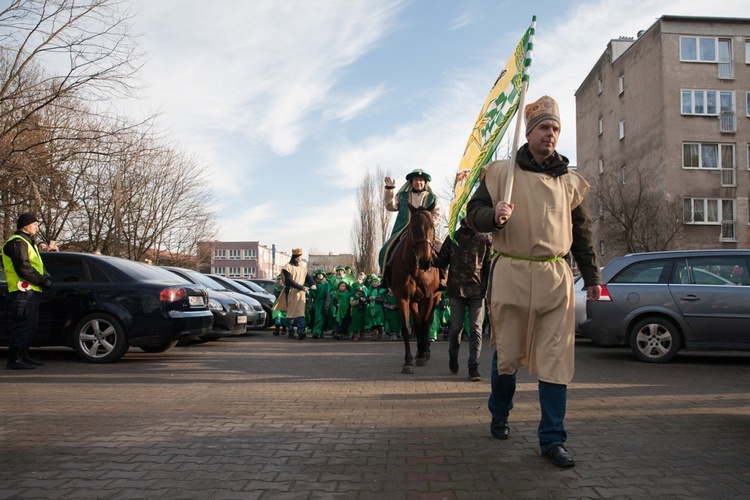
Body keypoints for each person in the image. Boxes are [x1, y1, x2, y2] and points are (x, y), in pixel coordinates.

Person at [466, 95, 602, 468]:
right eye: (544, 127)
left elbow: (583, 235)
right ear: (528, 133)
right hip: (511, 272)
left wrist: (592, 278)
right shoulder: (500, 174)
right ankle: (500, 411)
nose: (551, 134)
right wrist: (492, 215)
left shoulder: (571, 183)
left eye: (556, 128)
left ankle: (552, 439)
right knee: (506, 354)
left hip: (555, 278)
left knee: (557, 360)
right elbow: (471, 215)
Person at [432, 218, 492, 382]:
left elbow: (488, 266)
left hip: (477, 292)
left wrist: (488, 290)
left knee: (475, 329)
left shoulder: (485, 239)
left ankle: (473, 367)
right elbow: (442, 260)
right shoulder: (453, 237)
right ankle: (453, 357)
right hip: (456, 290)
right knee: (456, 329)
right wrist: (428, 259)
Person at [378, 169, 445, 289]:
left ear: (424, 182)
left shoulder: (432, 198)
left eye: (420, 180)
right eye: (415, 180)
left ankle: (443, 278)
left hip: (425, 232)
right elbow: (390, 206)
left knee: (443, 249)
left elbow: (437, 215)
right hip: (404, 229)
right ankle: (385, 278)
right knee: (385, 249)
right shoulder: (403, 196)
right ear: (411, 182)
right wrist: (389, 189)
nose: (418, 182)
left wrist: (428, 225)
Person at [2, 213, 53, 370]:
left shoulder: (28, 243)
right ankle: (15, 359)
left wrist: (45, 277)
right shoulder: (17, 243)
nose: (37, 227)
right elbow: (24, 268)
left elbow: (36, 265)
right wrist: (43, 280)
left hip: (31, 292)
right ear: (24, 225)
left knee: (29, 326)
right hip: (21, 292)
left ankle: (23, 356)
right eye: (34, 224)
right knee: (22, 326)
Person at [279, 248, 316, 340]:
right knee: (291, 313)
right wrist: (301, 287)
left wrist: (313, 284)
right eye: (300, 257)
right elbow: (289, 281)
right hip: (291, 292)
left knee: (300, 312)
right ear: (296, 257)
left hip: (301, 293)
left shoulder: (302, 267)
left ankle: (300, 332)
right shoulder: (287, 267)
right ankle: (291, 332)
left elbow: (308, 277)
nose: (301, 258)